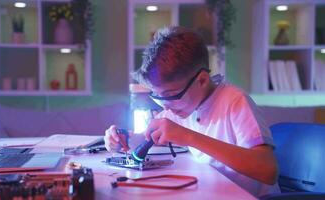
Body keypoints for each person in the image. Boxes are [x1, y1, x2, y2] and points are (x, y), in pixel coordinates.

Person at [104, 26, 280, 197]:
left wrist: (188, 136)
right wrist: (123, 138)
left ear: (202, 80)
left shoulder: (235, 102)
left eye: (171, 95)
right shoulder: (181, 105)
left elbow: (267, 170)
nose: (165, 106)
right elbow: (149, 137)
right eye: (158, 97)